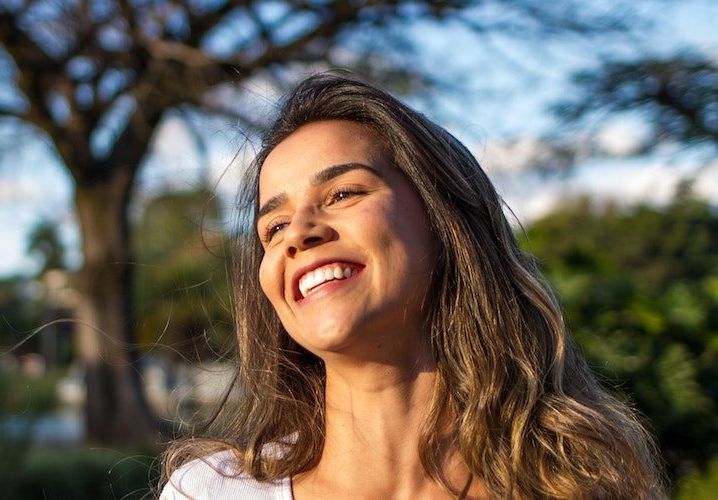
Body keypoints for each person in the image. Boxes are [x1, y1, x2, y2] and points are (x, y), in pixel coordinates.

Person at [159, 73, 663, 499]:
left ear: (445, 222)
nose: (299, 233)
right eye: (272, 227)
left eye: (342, 192)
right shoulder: (210, 492)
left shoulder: (578, 485)